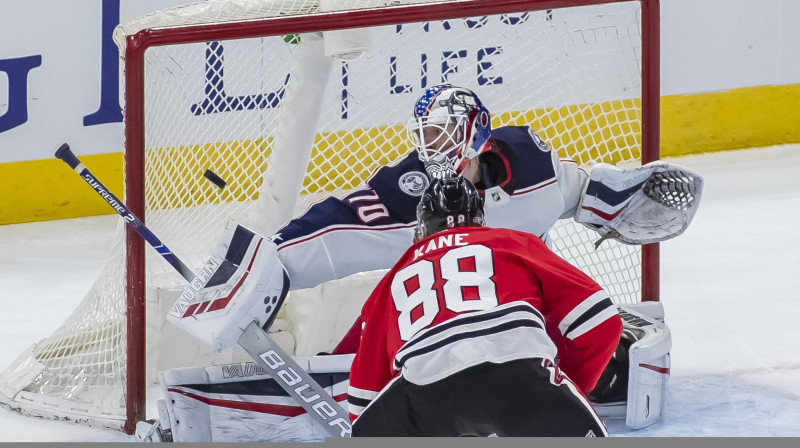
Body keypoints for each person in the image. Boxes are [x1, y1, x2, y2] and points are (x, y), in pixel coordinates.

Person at [347, 175, 623, 437]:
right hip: (521, 380)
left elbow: (364, 395)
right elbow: (602, 320)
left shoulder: (391, 280)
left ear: (422, 228)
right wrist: (567, 385)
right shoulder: (514, 242)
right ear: (479, 220)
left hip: (425, 397)